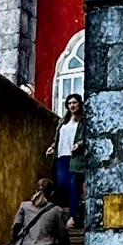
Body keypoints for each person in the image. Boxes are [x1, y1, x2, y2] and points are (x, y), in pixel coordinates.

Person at [8, 178, 70, 245]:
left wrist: (15, 240)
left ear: (36, 190)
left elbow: (16, 226)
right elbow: (63, 238)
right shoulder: (56, 211)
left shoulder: (24, 206)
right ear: (52, 193)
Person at [48, 93, 85, 225]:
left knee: (73, 185)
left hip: (75, 157)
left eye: (74, 103)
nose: (72, 105)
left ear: (79, 104)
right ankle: (76, 206)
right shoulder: (62, 121)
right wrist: (53, 147)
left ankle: (72, 216)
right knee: (62, 184)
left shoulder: (83, 121)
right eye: (69, 103)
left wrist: (79, 144)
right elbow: (57, 138)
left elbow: (86, 137)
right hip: (61, 156)